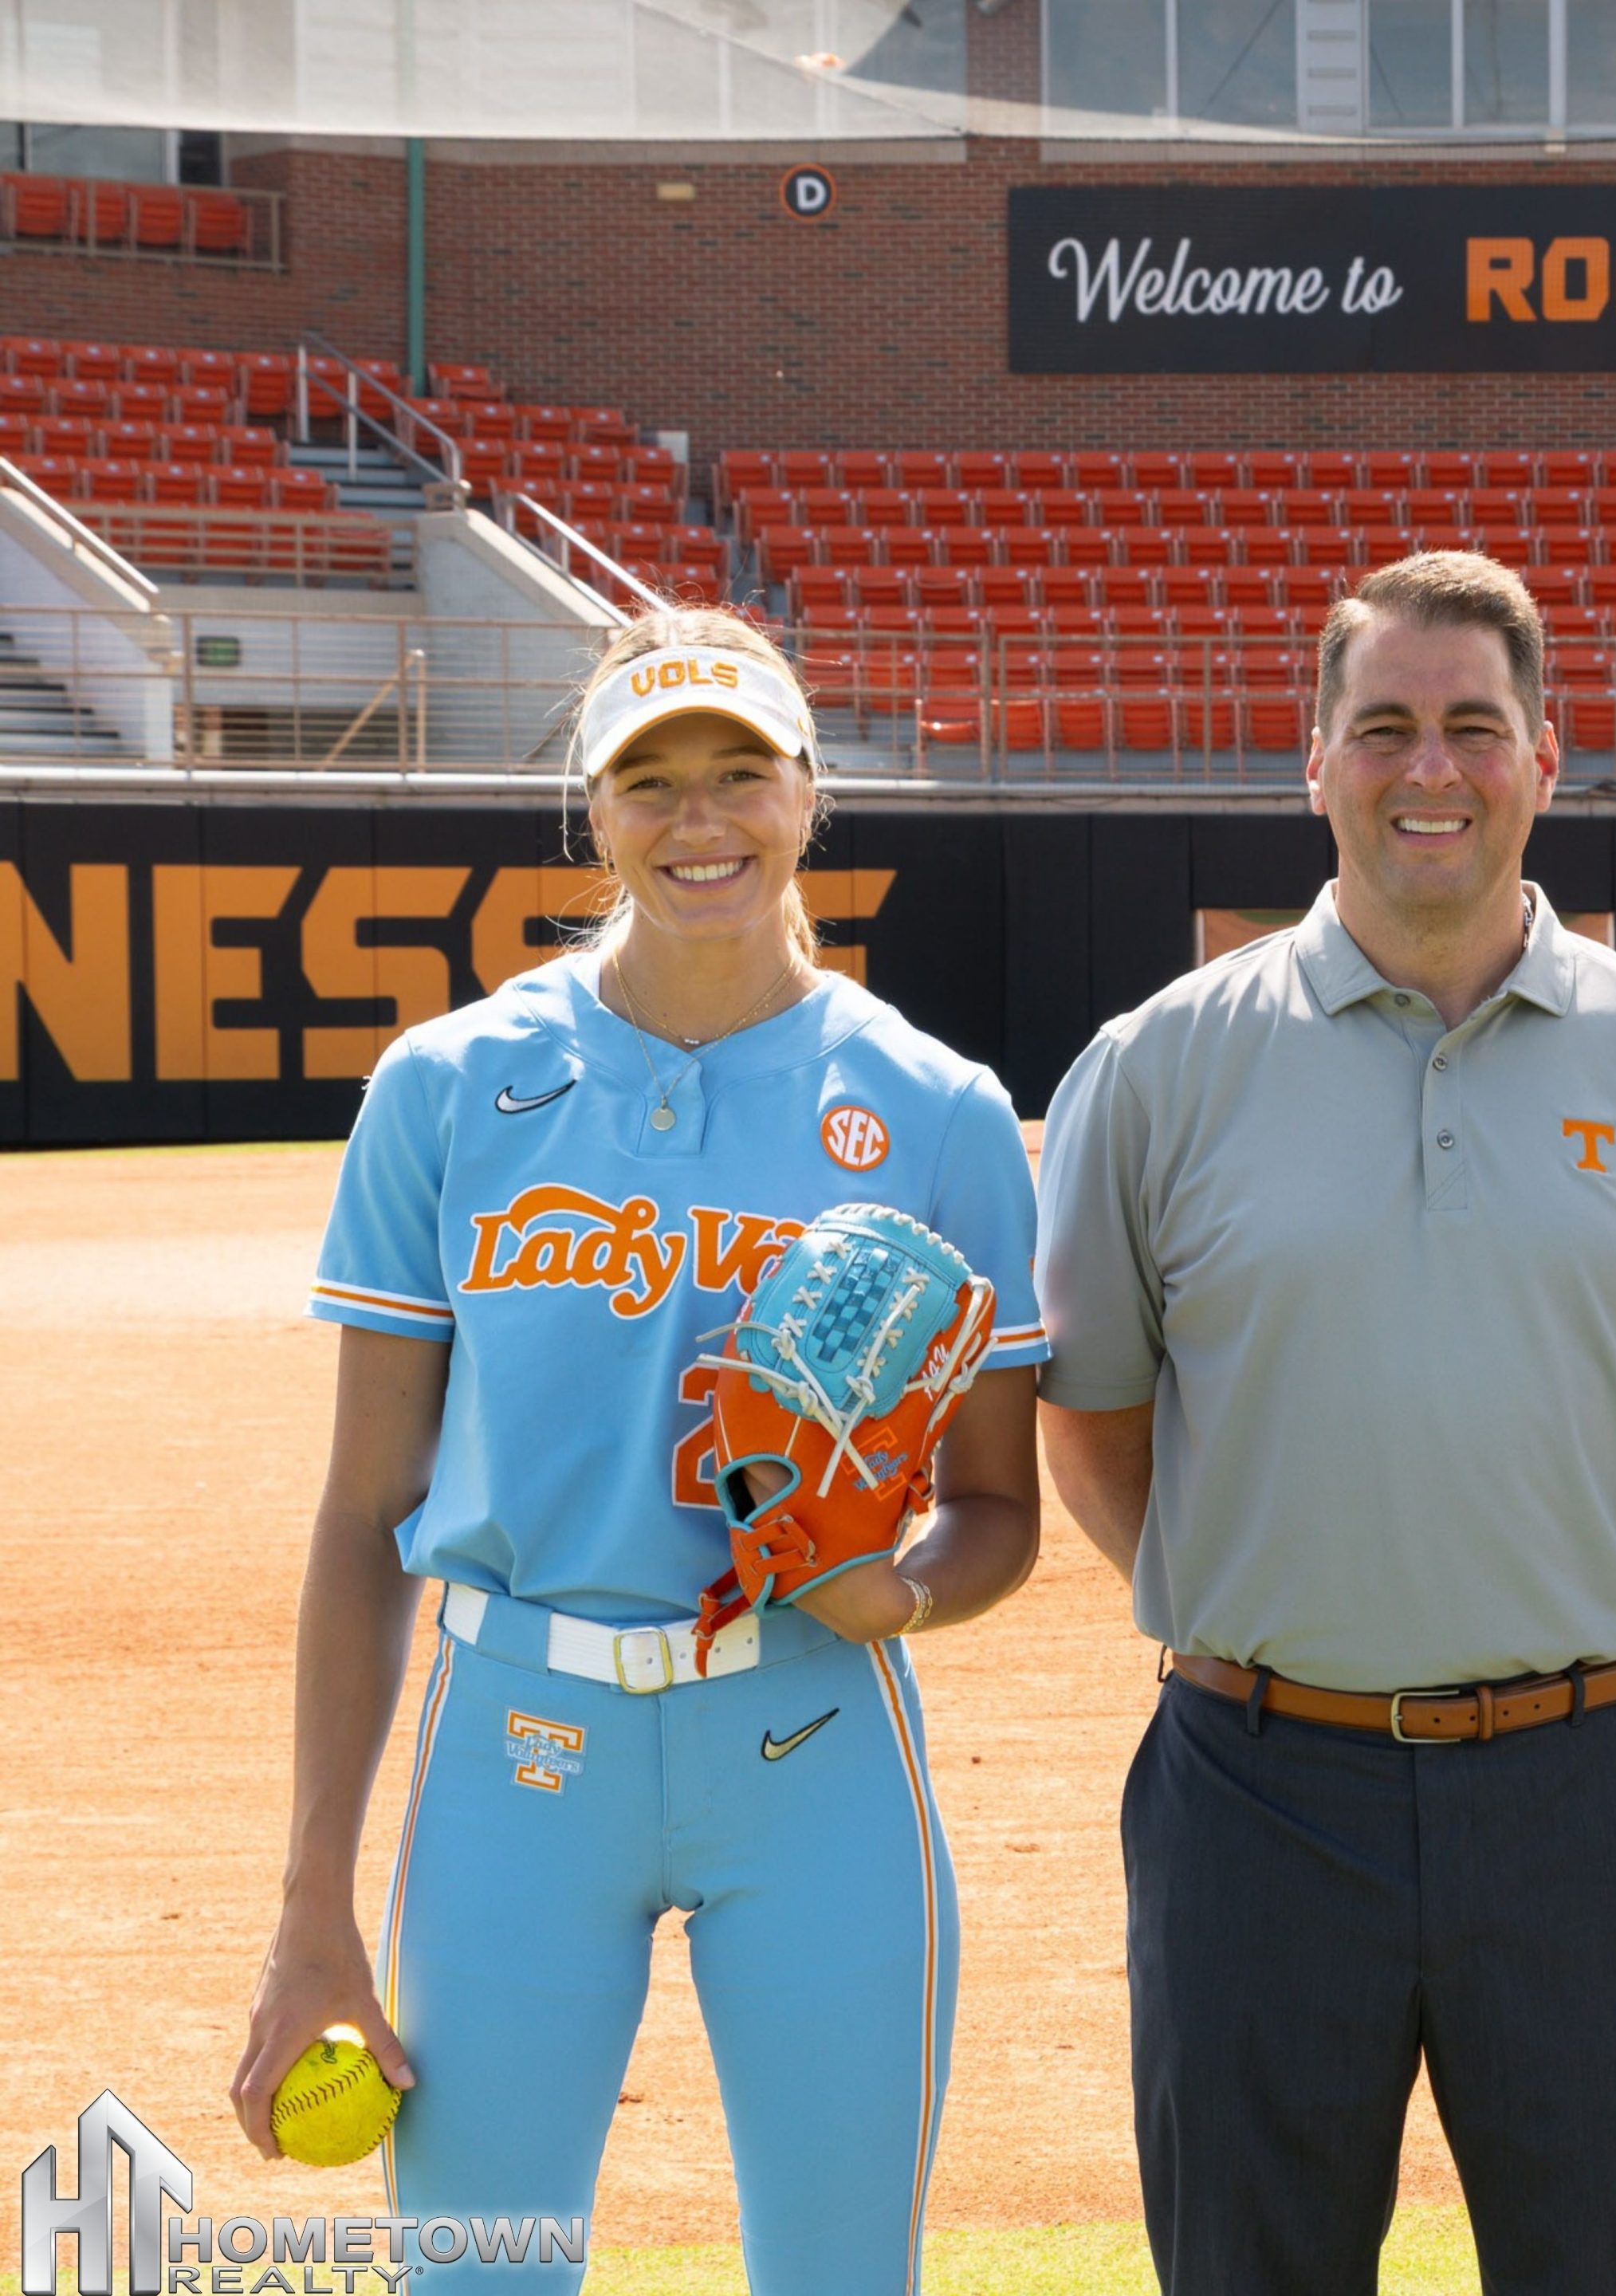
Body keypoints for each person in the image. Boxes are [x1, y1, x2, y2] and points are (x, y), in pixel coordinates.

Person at [230, 607, 1047, 2296]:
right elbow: (367, 1515)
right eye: (649, 780)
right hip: (514, 1749)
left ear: (808, 794)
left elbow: (995, 1509)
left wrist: (901, 1596)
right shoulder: (447, 1085)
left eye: (740, 772)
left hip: (814, 1732)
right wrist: (312, 1907)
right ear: (591, 814)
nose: (699, 818)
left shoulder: (939, 1108)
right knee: (481, 2273)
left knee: (843, 2277)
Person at [1032, 549, 1616, 2296]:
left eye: (1474, 725)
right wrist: (1285, 1606)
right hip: (1256, 1793)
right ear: (1313, 760)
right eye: (1382, 726)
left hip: (1591, 1790)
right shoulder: (1152, 1066)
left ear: (1547, 757)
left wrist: (1552, 1579)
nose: (1429, 767)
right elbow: (1096, 1430)